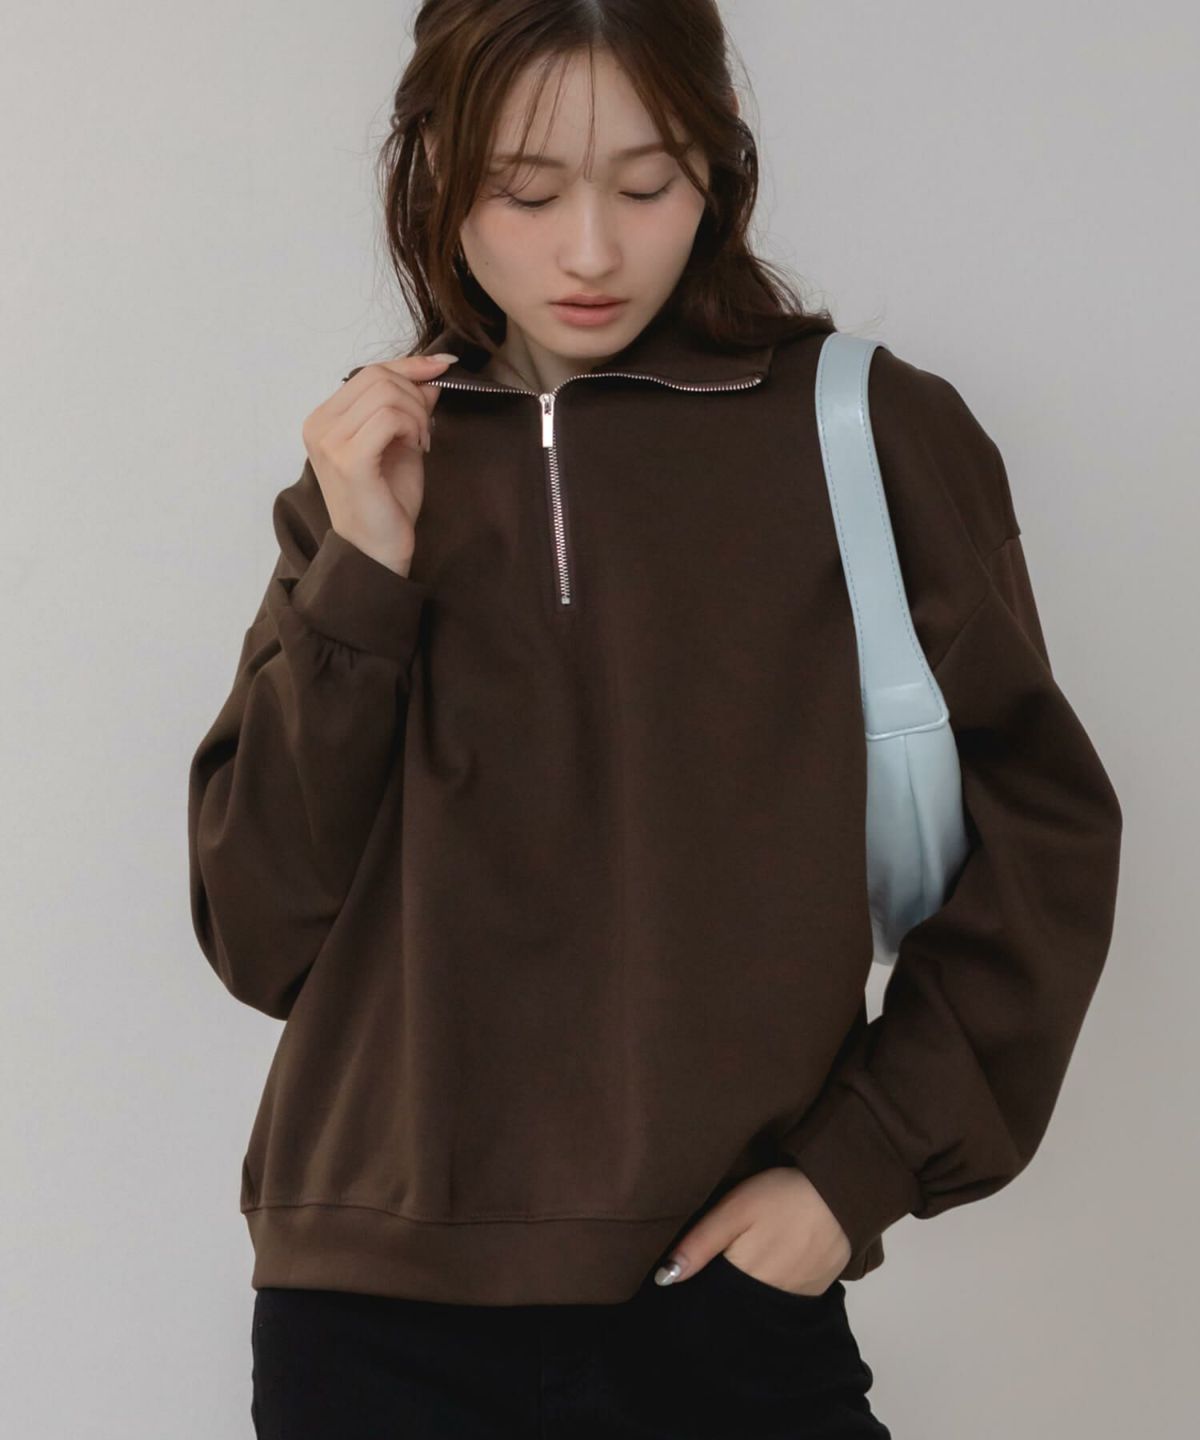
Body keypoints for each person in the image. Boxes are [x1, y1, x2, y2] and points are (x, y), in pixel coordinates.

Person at [185, 3, 1123, 1436]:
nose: (590, 253)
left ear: (717, 171)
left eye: (646, 185)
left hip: (720, 1306)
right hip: (368, 1318)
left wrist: (849, 1178)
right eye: (526, 191)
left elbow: (1044, 850)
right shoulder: (368, 473)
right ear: (435, 174)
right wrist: (364, 568)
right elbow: (261, 933)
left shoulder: (864, 431)